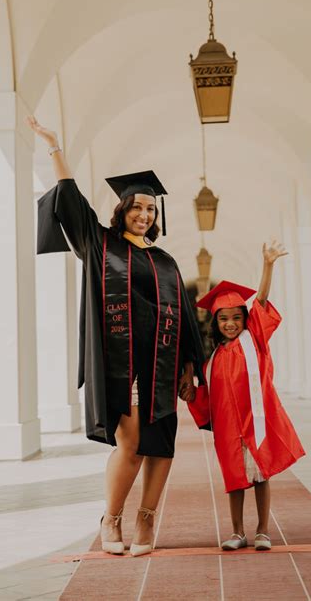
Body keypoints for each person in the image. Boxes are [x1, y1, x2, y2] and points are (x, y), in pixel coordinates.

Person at [27, 116, 204, 557]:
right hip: (123, 365)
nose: (144, 215)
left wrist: (187, 366)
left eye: (150, 209)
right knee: (131, 443)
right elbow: (71, 204)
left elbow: (181, 314)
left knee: (162, 445)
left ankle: (146, 523)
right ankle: (112, 518)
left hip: (162, 365)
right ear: (122, 210)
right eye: (136, 207)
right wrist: (54, 147)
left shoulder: (166, 261)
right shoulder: (102, 244)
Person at [188, 241, 305, 551]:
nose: (230, 323)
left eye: (236, 318)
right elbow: (206, 400)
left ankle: (263, 530)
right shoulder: (212, 360)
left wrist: (268, 266)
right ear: (216, 322)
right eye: (224, 319)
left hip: (256, 422)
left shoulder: (254, 341)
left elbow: (262, 300)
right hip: (228, 429)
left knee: (261, 474)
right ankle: (238, 532)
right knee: (234, 479)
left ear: (244, 320)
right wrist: (189, 394)